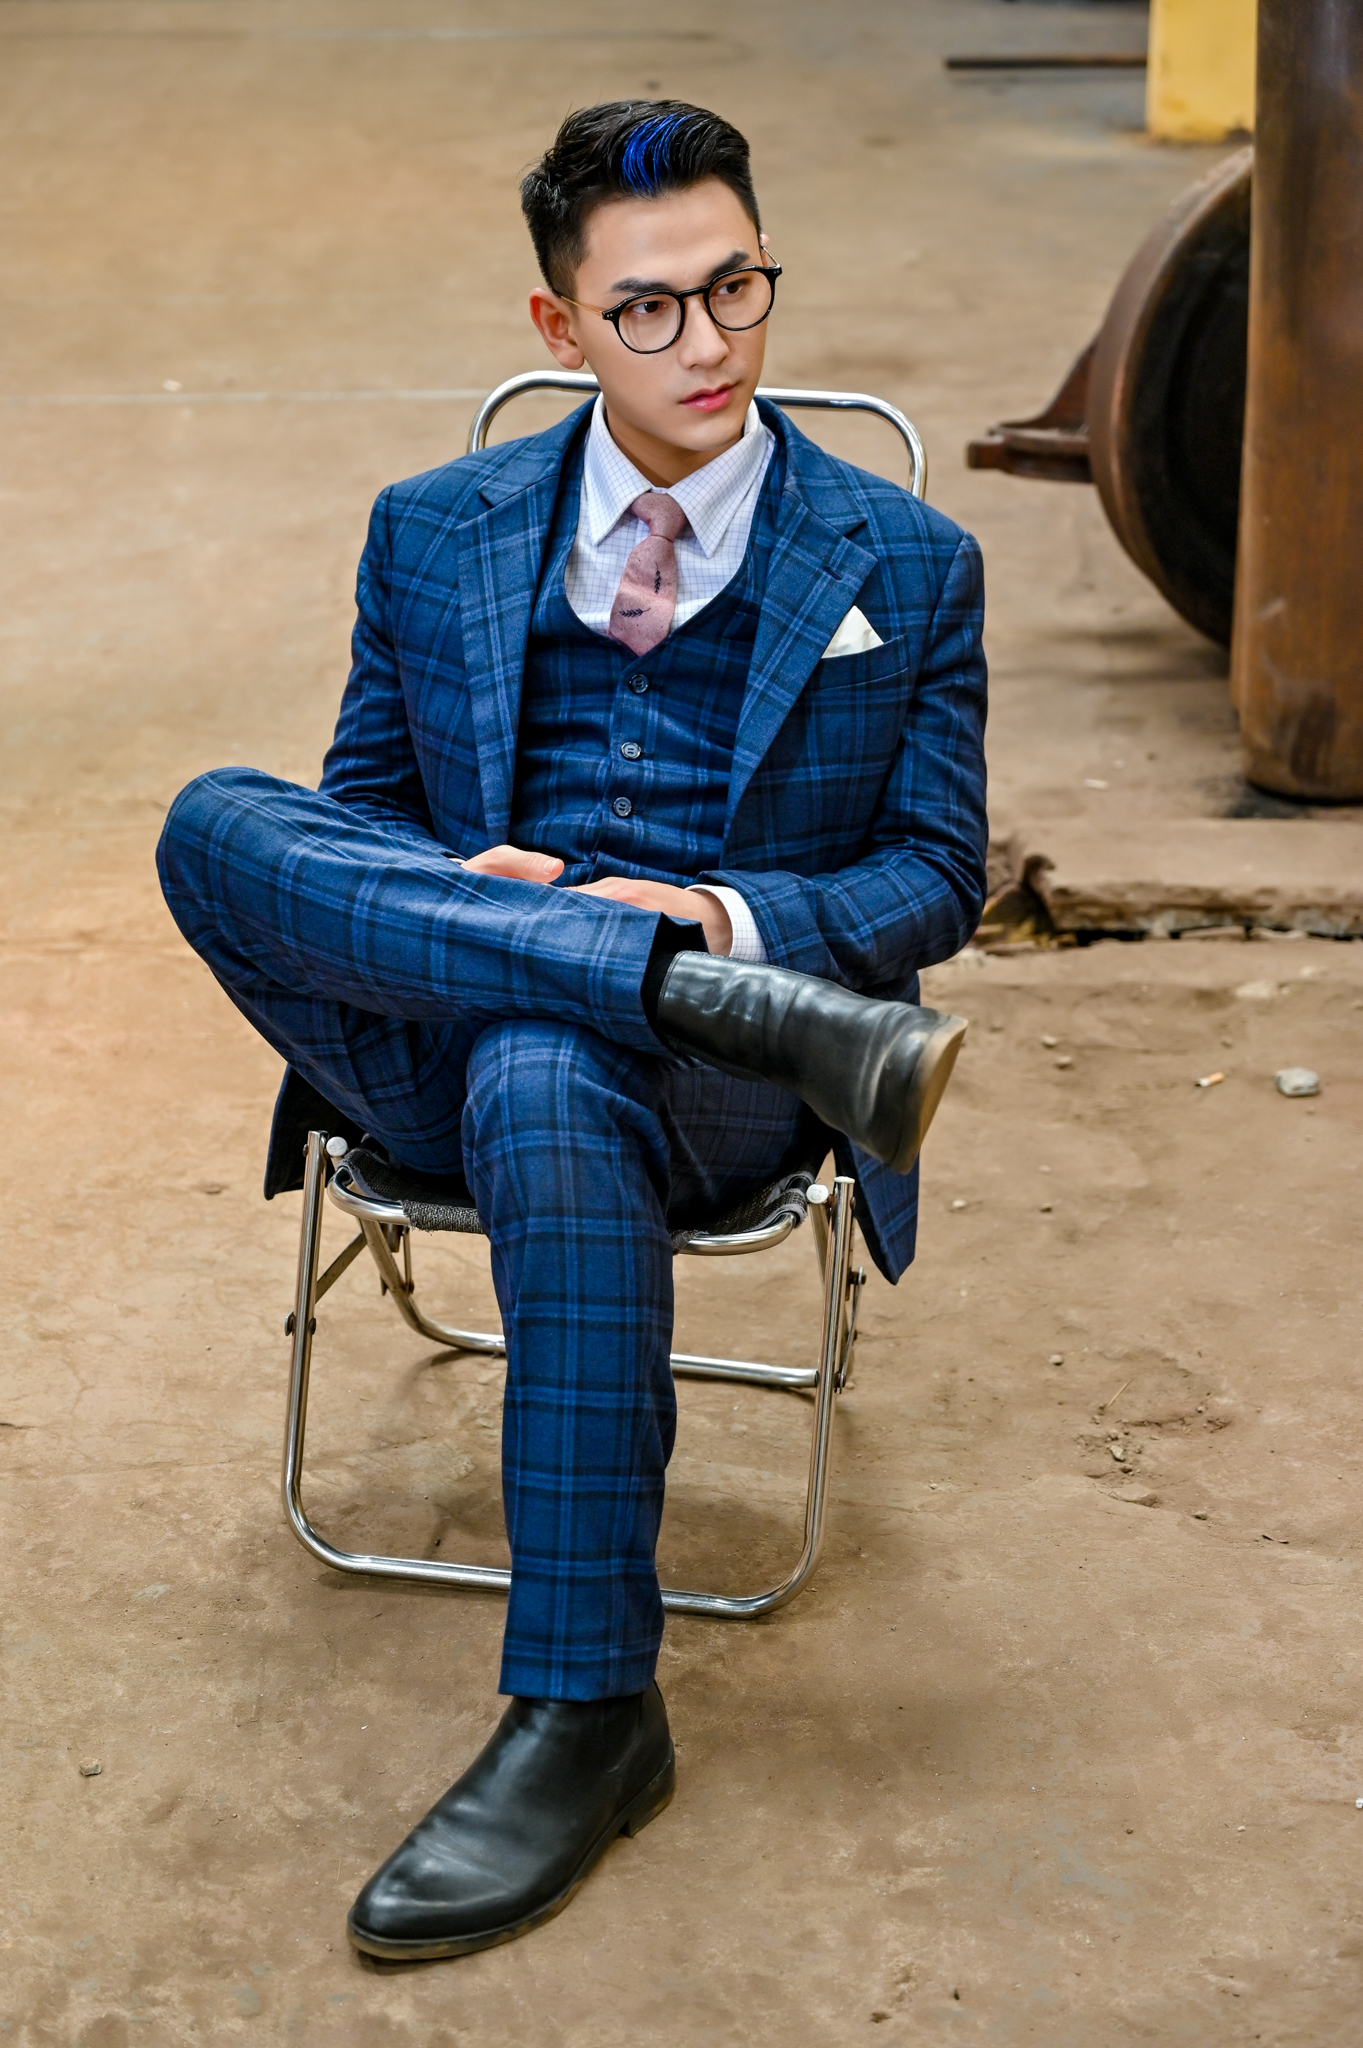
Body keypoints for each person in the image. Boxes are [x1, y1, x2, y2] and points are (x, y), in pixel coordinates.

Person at [156, 99, 988, 1962]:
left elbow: (940, 870)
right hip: (448, 1021)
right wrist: (496, 896)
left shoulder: (907, 560)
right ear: (560, 327)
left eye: (738, 287)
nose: (710, 344)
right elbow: (361, 819)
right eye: (649, 311)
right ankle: (615, 974)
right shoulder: (431, 531)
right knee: (215, 821)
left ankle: (588, 1707)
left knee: (550, 1072)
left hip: (730, 1075)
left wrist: (716, 921)